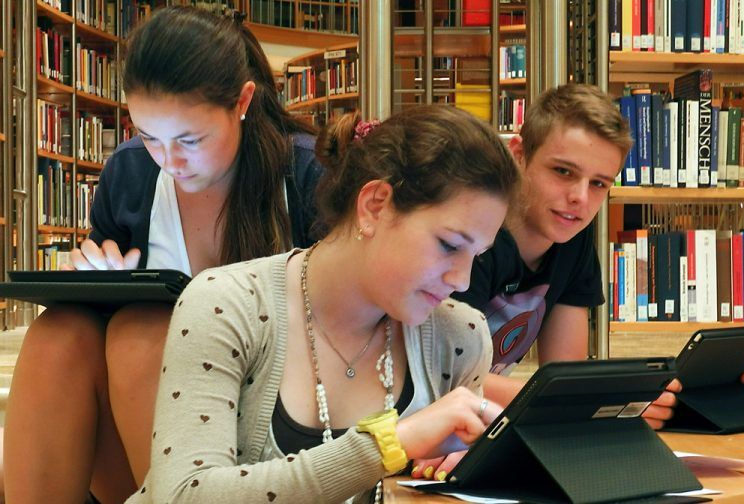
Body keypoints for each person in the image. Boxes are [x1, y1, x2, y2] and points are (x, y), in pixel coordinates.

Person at [4, 7, 323, 503]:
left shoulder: (305, 175)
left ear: (242, 102)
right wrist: (96, 280)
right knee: (59, 334)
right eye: (149, 137)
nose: (169, 162)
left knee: (143, 330)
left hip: (267, 415)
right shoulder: (129, 174)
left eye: (190, 140)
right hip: (145, 428)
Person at [124, 104, 520, 503]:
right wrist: (388, 444)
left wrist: (469, 471)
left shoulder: (461, 337)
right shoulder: (224, 304)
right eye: (449, 245)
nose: (462, 279)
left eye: (478, 255)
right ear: (375, 205)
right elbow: (183, 497)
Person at [412, 83, 744, 482]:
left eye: (599, 184)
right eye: (563, 172)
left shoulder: (573, 241)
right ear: (518, 156)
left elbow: (563, 375)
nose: (580, 198)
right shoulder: (474, 243)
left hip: (480, 425)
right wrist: (600, 400)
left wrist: (641, 393)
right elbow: (442, 376)